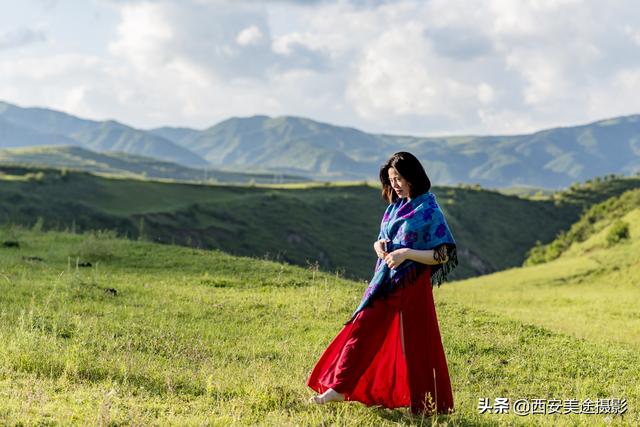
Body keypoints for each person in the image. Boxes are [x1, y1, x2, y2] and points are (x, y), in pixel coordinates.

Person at [307, 151, 458, 416]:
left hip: (412, 283)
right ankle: (341, 388)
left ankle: (423, 406)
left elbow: (442, 255)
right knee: (363, 327)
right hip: (386, 281)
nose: (395, 184)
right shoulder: (394, 208)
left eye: (399, 178)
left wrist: (407, 254)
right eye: (391, 179)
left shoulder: (429, 209)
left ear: (413, 176)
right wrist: (378, 245)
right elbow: (384, 238)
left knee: (416, 342)